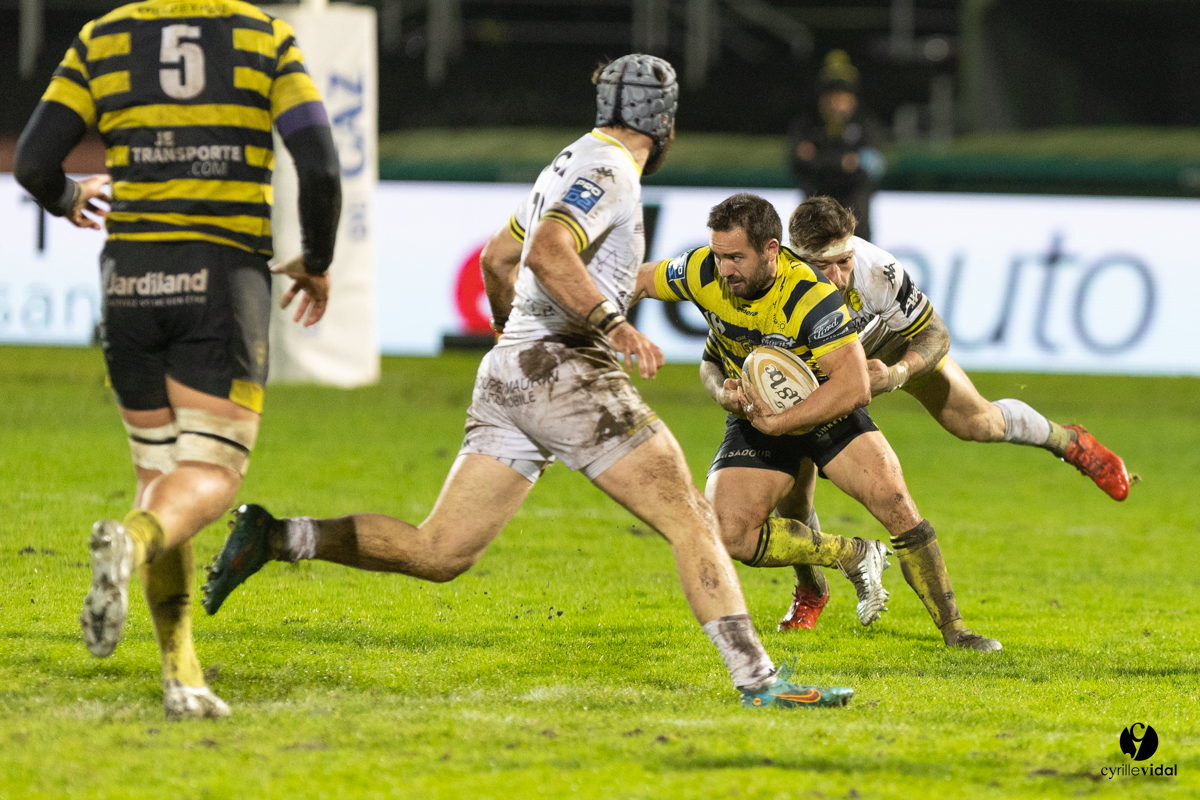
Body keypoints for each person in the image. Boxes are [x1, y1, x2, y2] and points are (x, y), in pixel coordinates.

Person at [202, 55, 852, 710]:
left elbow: (497, 258)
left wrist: (508, 341)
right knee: (690, 516)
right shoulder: (611, 170)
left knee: (440, 551)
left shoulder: (568, 162)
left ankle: (278, 536)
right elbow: (544, 250)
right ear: (666, 121)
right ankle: (761, 682)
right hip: (566, 364)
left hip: (515, 365)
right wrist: (613, 325)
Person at [14, 0, 341, 719]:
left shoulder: (103, 37)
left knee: (162, 480)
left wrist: (69, 195)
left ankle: (181, 673)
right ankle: (126, 549)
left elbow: (35, 161)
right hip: (220, 278)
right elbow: (317, 166)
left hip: (128, 278)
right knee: (212, 477)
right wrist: (317, 260)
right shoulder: (263, 37)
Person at [633, 193, 1001, 652]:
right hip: (759, 416)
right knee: (728, 533)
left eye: (736, 257)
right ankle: (853, 555)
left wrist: (784, 421)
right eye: (719, 255)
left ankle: (956, 631)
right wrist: (614, 326)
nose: (724, 268)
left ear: (771, 250)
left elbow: (853, 388)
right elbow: (640, 280)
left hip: (827, 411)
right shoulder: (700, 271)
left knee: (896, 502)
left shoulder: (811, 296)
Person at [789, 196, 1131, 502]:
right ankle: (807, 574)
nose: (837, 277)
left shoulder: (877, 268)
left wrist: (897, 373)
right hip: (819, 366)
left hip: (883, 340)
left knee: (977, 423)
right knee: (794, 480)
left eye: (844, 261)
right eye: (823, 266)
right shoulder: (773, 285)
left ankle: (1067, 441)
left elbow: (935, 334)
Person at [788, 50, 885, 240]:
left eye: (843, 97)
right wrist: (844, 163)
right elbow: (796, 164)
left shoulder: (867, 128)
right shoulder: (806, 126)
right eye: (831, 97)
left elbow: (873, 170)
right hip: (813, 230)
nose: (837, 104)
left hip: (856, 230)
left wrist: (819, 161)